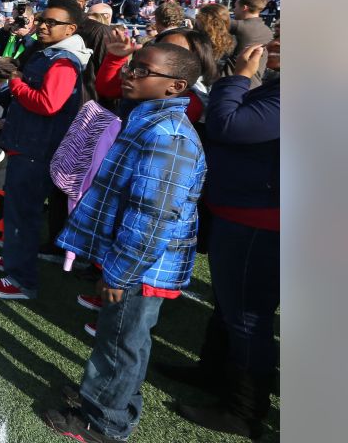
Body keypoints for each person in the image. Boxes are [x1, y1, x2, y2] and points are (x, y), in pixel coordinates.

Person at [42, 43, 207, 443]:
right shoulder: (148, 121)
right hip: (135, 259)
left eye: (142, 70)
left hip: (141, 265)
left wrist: (120, 272)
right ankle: (103, 399)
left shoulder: (167, 136)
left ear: (175, 86)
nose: (129, 73)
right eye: (132, 65)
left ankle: (104, 422)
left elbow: (152, 216)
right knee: (120, 337)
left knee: (121, 341)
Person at [172, 40, 280, 438]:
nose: (273, 43)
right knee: (228, 305)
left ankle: (245, 409)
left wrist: (238, 78)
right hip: (242, 211)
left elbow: (228, 125)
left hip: (261, 221)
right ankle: (213, 372)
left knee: (249, 316)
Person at [0, 0, 92, 301]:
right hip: (30, 142)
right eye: (42, 20)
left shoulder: (62, 60)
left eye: (51, 22)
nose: (43, 25)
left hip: (36, 148)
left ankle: (20, 279)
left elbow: (48, 103)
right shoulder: (53, 53)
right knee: (20, 210)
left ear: (70, 29)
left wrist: (15, 82)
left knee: (24, 213)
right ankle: (16, 258)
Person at [229, 0, 274, 81]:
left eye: (236, 7)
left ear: (244, 8)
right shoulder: (268, 31)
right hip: (254, 83)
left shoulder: (239, 25)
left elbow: (207, 24)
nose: (234, 10)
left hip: (233, 81)